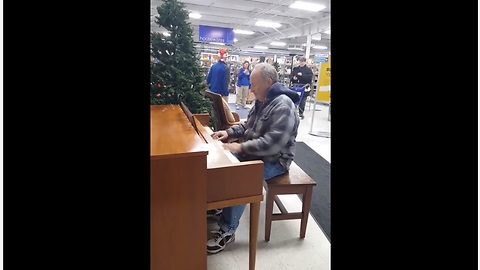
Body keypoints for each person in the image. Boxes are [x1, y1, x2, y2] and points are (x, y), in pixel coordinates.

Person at [206, 62, 301, 254]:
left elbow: (272, 144)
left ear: (268, 82)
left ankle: (228, 230)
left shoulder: (283, 105)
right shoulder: (262, 99)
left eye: (254, 84)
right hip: (256, 152)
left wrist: (240, 146)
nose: (251, 89)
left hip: (276, 160)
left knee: (241, 176)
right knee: (225, 161)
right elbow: (247, 126)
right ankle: (223, 204)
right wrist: (229, 133)